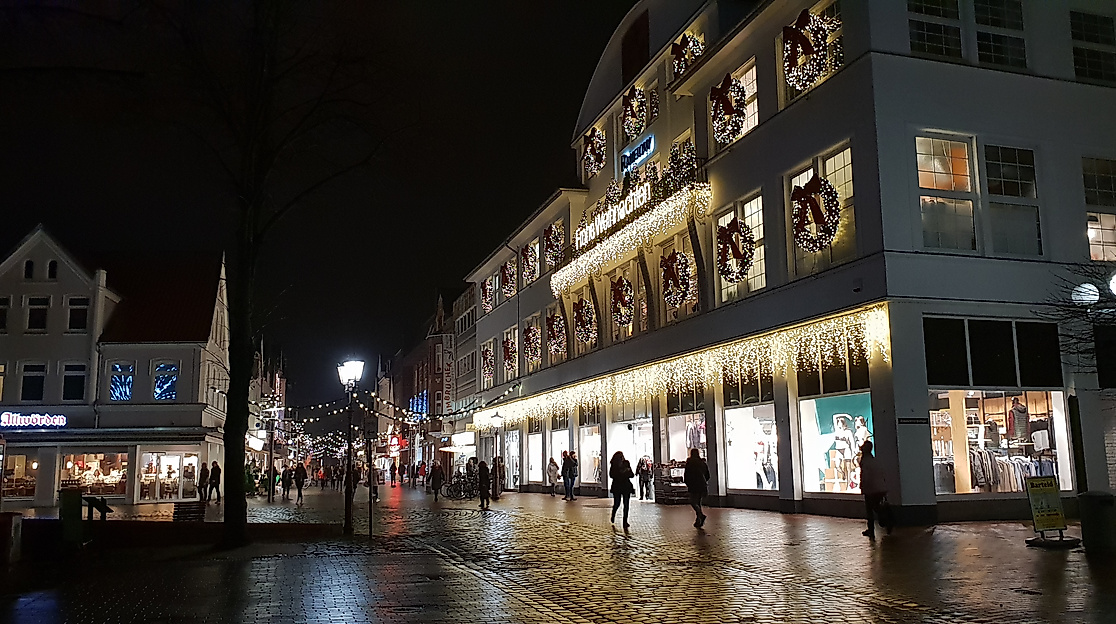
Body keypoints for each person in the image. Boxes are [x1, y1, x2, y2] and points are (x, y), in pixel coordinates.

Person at [859, 440, 891, 538]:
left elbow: (866, 476)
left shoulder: (865, 462)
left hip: (871, 489)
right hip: (880, 488)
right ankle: (887, 522)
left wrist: (862, 486)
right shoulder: (875, 460)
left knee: (870, 509)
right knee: (877, 507)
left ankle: (872, 529)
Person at [609, 451, 635, 528]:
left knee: (626, 504)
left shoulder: (626, 463)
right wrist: (622, 473)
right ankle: (613, 515)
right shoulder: (614, 465)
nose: (622, 458)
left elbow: (632, 474)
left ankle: (625, 521)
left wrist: (626, 472)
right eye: (620, 457)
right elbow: (611, 475)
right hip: (618, 486)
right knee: (617, 503)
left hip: (625, 486)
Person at [684, 449, 709, 528]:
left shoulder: (690, 463)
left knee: (693, 502)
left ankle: (700, 516)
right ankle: (699, 520)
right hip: (702, 485)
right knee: (698, 502)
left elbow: (687, 475)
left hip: (693, 485)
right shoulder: (702, 463)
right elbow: (708, 475)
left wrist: (687, 483)